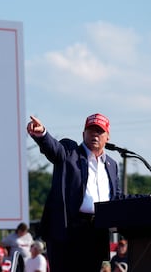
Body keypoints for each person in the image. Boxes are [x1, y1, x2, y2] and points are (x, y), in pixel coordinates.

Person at [27, 113, 122, 272]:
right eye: (91, 130)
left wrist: (147, 199)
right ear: (83, 134)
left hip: (96, 231)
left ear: (108, 136)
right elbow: (54, 149)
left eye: (99, 131)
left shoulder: (112, 165)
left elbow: (117, 197)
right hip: (68, 230)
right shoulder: (70, 152)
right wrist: (42, 134)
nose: (95, 135)